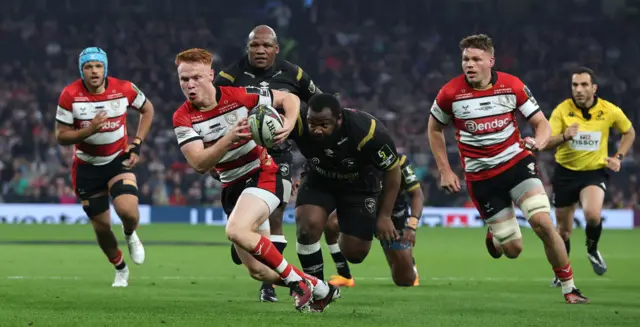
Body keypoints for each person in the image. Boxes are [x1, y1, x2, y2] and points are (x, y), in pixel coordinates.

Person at [171, 48, 339, 313]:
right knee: (260, 272)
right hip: (232, 186)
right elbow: (200, 164)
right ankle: (321, 288)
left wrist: (288, 122)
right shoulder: (183, 117)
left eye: (196, 77)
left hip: (264, 173)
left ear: (211, 76)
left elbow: (289, 99)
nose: (190, 85)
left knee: (235, 230)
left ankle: (298, 284)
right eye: (184, 80)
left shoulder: (238, 96)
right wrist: (228, 138)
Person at [426, 34, 589, 304]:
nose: (470, 64)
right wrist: (445, 169)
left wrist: (538, 142)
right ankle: (495, 235)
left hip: (517, 165)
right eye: (466, 59)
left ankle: (569, 288)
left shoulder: (511, 85)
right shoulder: (450, 93)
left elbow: (541, 123)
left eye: (476, 59)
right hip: (481, 179)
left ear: (491, 61)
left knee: (543, 223)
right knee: (513, 250)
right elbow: (433, 128)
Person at [213, 25, 324, 302]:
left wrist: (302, 128)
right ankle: (247, 240)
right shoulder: (229, 76)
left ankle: (269, 285)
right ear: (247, 48)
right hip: (241, 158)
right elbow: (212, 113)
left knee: (276, 214)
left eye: (266, 46)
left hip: (278, 153)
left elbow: (320, 102)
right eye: (254, 46)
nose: (260, 51)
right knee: (245, 228)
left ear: (276, 48)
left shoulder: (293, 73)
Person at [54, 47, 152, 287]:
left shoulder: (125, 88)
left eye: (98, 66)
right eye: (88, 67)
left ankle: (130, 233)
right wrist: (89, 130)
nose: (94, 71)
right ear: (82, 71)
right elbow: (61, 136)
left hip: (118, 160)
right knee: (103, 229)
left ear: (105, 68)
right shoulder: (70, 95)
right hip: (87, 168)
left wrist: (137, 144)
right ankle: (120, 267)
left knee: (128, 210)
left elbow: (147, 109)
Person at [289, 93, 402, 284]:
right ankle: (317, 289)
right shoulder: (297, 120)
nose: (316, 131)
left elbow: (393, 170)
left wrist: (384, 216)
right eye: (312, 124)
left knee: (356, 253)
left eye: (324, 125)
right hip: (320, 178)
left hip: (359, 185)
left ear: (339, 119)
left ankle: (339, 223)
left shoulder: (367, 132)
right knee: (307, 227)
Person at [541, 67, 635, 286]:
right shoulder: (562, 110)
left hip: (593, 172)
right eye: (575, 85)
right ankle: (562, 271)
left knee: (593, 215)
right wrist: (565, 136)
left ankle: (592, 249)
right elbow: (546, 143)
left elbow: (629, 132)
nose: (579, 90)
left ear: (594, 88)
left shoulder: (609, 110)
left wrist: (618, 156)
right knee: (563, 232)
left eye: (584, 85)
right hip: (565, 174)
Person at [326, 154, 423, 287]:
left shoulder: (399, 161)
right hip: (361, 210)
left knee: (405, 280)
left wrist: (412, 227)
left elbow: (417, 194)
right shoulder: (354, 158)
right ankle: (344, 275)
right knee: (331, 223)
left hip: (393, 219)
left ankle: (408, 263)